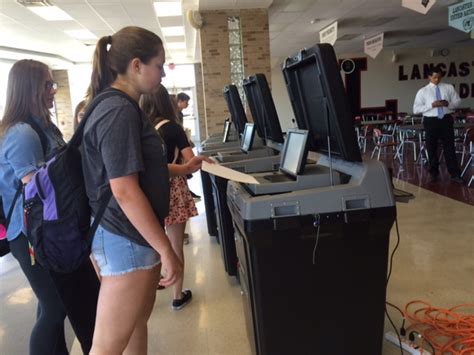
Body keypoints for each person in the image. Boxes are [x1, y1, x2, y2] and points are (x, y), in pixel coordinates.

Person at [81, 26, 205, 354]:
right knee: (108, 346)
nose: (162, 74)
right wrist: (166, 250)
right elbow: (123, 189)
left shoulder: (120, 105)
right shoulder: (117, 110)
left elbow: (137, 168)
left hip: (128, 235)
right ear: (137, 65)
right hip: (126, 237)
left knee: (136, 324)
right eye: (159, 65)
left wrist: (183, 169)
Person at [0, 59, 100, 355]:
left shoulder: (43, 126)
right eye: (47, 84)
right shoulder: (22, 133)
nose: (53, 90)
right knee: (55, 306)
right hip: (32, 235)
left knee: (51, 305)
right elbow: (38, 189)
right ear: (28, 88)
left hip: (45, 230)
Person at [141, 84, 201, 310]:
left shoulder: (140, 127)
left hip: (147, 191)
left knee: (153, 241)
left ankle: (153, 287)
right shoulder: (173, 128)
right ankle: (177, 295)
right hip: (173, 188)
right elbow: (191, 162)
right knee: (175, 245)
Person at [413, 67, 463, 183]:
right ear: (429, 77)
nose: (437, 79)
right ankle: (433, 173)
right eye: (434, 77)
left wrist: (448, 104)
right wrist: (432, 105)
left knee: (449, 147)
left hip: (446, 119)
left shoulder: (448, 87)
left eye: (439, 77)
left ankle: (455, 174)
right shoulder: (423, 91)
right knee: (431, 147)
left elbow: (458, 102)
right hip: (431, 121)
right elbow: (416, 109)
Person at [175, 92, 201, 200]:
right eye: (186, 102)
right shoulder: (175, 114)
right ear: (180, 101)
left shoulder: (179, 114)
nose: (188, 104)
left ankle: (187, 191)